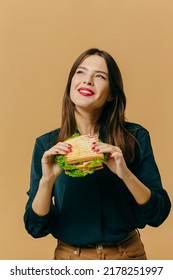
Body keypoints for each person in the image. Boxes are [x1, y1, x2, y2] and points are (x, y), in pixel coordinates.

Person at [24, 48, 171, 260]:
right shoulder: (48, 146)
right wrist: (47, 180)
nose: (88, 81)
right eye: (81, 72)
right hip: (71, 260)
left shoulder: (134, 137)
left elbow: (158, 213)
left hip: (127, 256)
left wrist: (125, 174)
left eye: (100, 76)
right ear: (70, 84)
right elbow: (36, 226)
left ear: (112, 93)